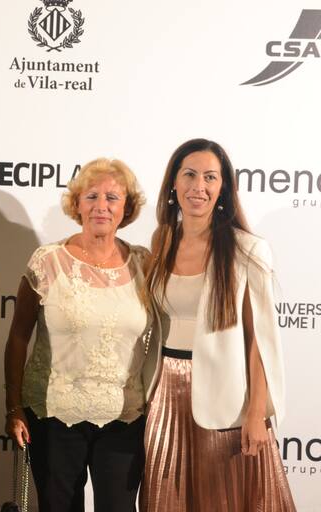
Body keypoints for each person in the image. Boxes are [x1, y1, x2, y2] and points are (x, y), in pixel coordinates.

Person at [140, 138, 295, 511]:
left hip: (227, 398)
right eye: (189, 175)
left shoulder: (247, 249)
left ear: (223, 187)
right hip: (164, 393)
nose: (199, 186)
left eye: (210, 177)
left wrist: (256, 414)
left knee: (224, 499)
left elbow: (259, 340)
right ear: (173, 183)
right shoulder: (161, 241)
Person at [5, 158, 152, 512]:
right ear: (77, 204)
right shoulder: (47, 261)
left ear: (127, 208)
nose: (101, 206)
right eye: (92, 196)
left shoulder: (144, 264)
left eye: (112, 198)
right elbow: (18, 337)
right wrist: (13, 406)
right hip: (54, 417)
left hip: (124, 419)